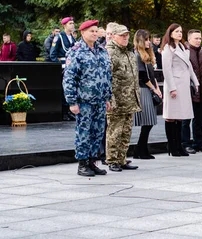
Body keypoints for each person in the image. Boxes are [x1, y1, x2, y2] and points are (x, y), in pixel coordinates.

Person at [62, 20, 112, 177]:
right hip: (84, 101)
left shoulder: (102, 51)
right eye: (92, 31)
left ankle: (92, 161)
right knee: (84, 132)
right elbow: (69, 78)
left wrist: (107, 98)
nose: (95, 34)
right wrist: (72, 101)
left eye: (96, 31)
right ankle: (82, 164)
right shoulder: (76, 52)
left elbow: (107, 76)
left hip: (99, 100)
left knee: (97, 132)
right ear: (83, 33)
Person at [105, 25, 141, 172]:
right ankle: (112, 160)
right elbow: (107, 78)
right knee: (115, 131)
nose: (125, 38)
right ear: (113, 36)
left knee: (126, 131)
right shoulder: (110, 52)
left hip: (129, 99)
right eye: (122, 35)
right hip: (117, 100)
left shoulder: (129, 53)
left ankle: (122, 158)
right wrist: (110, 99)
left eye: (126, 35)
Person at [162, 23, 200, 156]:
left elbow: (189, 66)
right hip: (174, 85)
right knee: (171, 117)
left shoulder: (182, 47)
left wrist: (196, 82)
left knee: (180, 116)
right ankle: (172, 146)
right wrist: (172, 88)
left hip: (183, 85)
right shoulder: (168, 48)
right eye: (176, 31)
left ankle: (179, 145)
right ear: (170, 33)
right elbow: (166, 70)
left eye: (180, 31)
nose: (179, 33)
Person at [182, 29, 202, 154]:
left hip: (201, 90)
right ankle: (185, 143)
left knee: (199, 119)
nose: (199, 40)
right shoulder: (185, 52)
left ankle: (199, 142)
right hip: (188, 90)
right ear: (189, 39)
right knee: (186, 120)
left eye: (200, 38)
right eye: (196, 38)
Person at [133, 29, 161, 160]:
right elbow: (142, 76)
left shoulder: (147, 55)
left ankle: (141, 149)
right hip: (143, 89)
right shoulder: (137, 55)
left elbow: (152, 75)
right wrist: (154, 88)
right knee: (147, 121)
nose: (149, 42)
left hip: (148, 89)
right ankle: (140, 149)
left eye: (149, 39)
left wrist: (157, 88)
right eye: (146, 39)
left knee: (148, 122)